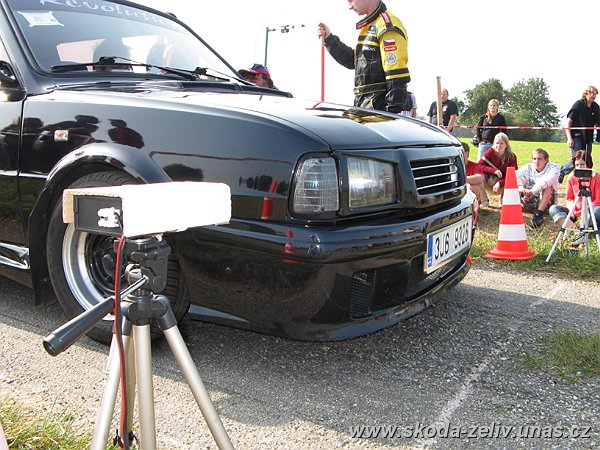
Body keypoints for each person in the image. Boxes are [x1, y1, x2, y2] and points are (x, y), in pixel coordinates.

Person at [317, 1, 411, 114]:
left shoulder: (386, 24)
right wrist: (329, 40)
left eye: (351, 0)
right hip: (365, 109)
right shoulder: (370, 25)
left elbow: (396, 73)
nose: (349, 7)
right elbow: (355, 61)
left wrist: (391, 115)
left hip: (379, 114)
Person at [549, 150, 600, 244]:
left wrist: (583, 212)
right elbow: (569, 198)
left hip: (590, 212)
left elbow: (597, 201)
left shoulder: (597, 177)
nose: (579, 167)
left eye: (582, 164)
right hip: (575, 212)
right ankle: (575, 232)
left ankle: (581, 231)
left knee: (597, 210)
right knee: (553, 208)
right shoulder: (571, 177)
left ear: (588, 165)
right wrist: (571, 211)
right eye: (577, 165)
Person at [559, 86, 600, 182]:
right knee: (577, 158)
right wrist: (569, 138)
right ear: (586, 94)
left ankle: (585, 179)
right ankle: (562, 172)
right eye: (591, 93)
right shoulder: (578, 104)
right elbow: (568, 122)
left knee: (586, 158)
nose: (593, 96)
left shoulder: (595, 107)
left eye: (595, 94)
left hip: (588, 137)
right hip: (576, 135)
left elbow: (598, 123)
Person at [516, 148, 560, 228]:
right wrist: (522, 189)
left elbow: (546, 181)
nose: (536, 161)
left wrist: (532, 191)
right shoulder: (528, 167)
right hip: (530, 199)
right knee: (521, 179)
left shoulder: (554, 168)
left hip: (547, 202)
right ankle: (515, 206)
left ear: (546, 160)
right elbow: (515, 175)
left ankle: (538, 214)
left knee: (547, 186)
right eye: (534, 159)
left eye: (540, 159)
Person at [461, 142, 488, 208]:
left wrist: (461, 179)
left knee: (472, 186)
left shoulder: (475, 166)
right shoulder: (453, 167)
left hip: (472, 195)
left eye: (460, 152)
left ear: (467, 153)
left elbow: (479, 178)